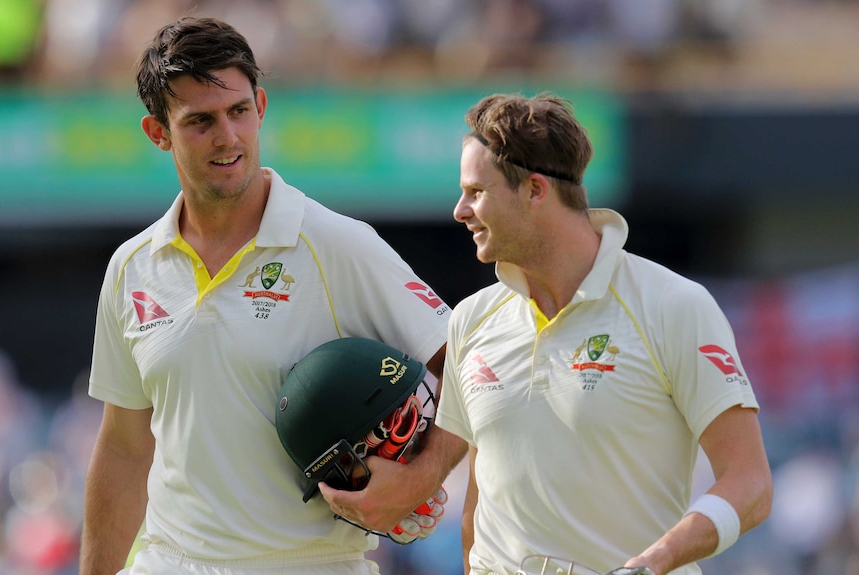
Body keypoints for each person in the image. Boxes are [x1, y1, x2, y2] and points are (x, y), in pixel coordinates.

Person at [322, 93, 772, 575]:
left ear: (536, 191)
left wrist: (658, 560)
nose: (459, 210)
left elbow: (750, 486)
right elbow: (480, 498)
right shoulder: (471, 318)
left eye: (476, 191)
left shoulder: (674, 305)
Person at [80, 16, 451, 575]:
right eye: (200, 121)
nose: (227, 137)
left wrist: (422, 476)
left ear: (261, 106)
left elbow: (472, 365)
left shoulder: (337, 244)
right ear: (158, 133)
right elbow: (125, 448)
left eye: (238, 112)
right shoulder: (132, 267)